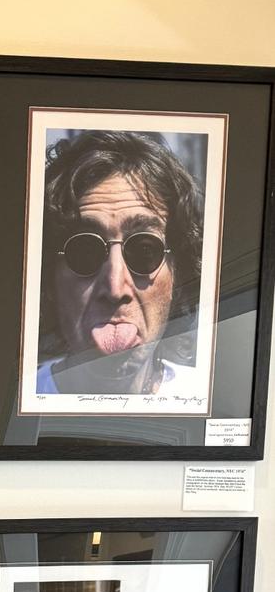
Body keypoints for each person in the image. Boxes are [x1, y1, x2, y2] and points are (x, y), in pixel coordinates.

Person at [36, 130, 204, 397]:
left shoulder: (208, 398)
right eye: (84, 250)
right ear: (48, 284)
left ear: (178, 277)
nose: (115, 289)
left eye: (145, 250)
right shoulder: (13, 403)